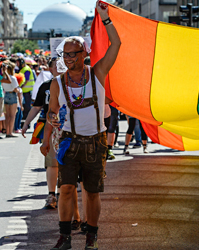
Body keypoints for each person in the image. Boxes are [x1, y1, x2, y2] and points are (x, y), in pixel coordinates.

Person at [42, 2, 121, 249]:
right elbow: (51, 113)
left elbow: (116, 44)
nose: (68, 59)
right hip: (68, 141)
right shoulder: (57, 82)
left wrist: (106, 18)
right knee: (65, 190)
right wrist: (48, 135)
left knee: (92, 191)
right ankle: (65, 236)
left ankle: (91, 236)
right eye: (65, 55)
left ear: (84, 54)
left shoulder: (97, 72)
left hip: (95, 142)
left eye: (73, 54)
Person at [23, 57, 61, 209]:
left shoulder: (73, 84)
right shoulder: (46, 86)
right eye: (57, 66)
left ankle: (65, 194)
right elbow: (36, 107)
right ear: (50, 69)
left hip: (71, 130)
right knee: (52, 163)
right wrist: (26, 123)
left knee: (68, 164)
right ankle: (51, 195)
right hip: (50, 129)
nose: (60, 68)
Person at [1, 62, 20, 138]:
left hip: (6, 95)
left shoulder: (3, 77)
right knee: (12, 116)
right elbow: (15, 89)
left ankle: (7, 131)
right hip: (12, 95)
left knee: (7, 116)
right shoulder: (13, 78)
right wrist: (18, 90)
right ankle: (10, 132)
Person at [16, 57, 35, 122]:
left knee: (27, 106)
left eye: (18, 63)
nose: (17, 64)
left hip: (27, 91)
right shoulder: (22, 69)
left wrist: (20, 87)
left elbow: (26, 80)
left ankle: (26, 119)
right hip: (24, 91)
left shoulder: (26, 69)